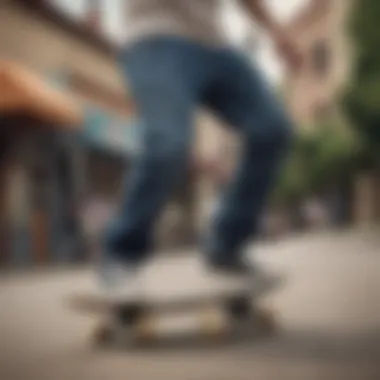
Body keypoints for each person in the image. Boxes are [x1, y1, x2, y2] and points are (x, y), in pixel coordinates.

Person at [100, 0, 303, 296]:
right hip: (153, 38)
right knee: (169, 144)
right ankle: (121, 253)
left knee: (272, 129)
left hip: (214, 44)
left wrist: (277, 31)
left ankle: (226, 245)